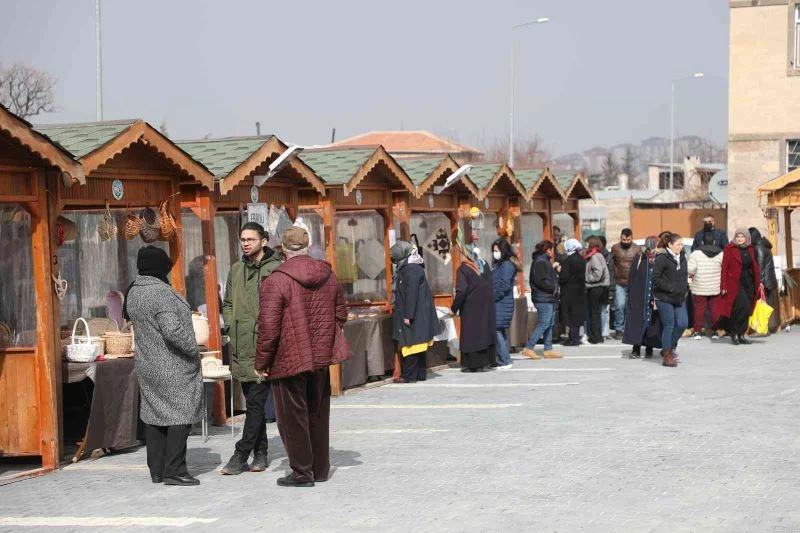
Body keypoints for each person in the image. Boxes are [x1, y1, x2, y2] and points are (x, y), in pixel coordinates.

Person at [255, 227, 350, 487]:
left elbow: (268, 327)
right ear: (308, 247)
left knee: (292, 418)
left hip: (289, 358)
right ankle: (319, 469)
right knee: (318, 413)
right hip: (320, 357)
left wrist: (261, 362)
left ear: (283, 249)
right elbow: (340, 313)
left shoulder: (276, 280)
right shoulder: (328, 275)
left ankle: (302, 473)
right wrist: (322, 338)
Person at [124, 246, 203, 486]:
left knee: (155, 415)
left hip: (148, 364)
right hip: (171, 365)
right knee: (181, 413)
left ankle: (157, 471)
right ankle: (175, 470)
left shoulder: (134, 291)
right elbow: (173, 330)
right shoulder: (161, 293)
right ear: (161, 267)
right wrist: (193, 348)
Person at [220, 222, 282, 475]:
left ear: (264, 241)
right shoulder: (236, 269)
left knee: (255, 403)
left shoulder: (275, 269)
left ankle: (240, 453)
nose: (246, 243)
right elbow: (229, 302)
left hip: (263, 344)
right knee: (253, 403)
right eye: (243, 239)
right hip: (240, 344)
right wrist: (232, 326)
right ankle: (261, 453)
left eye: (251, 239)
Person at [390, 240, 438, 382]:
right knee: (418, 346)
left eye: (394, 255)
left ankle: (409, 376)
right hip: (418, 314)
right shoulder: (411, 267)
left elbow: (411, 294)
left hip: (414, 315)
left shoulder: (410, 269)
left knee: (411, 346)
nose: (392, 259)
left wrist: (408, 315)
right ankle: (419, 374)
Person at [452, 240, 496, 372]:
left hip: (471, 309)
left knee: (472, 336)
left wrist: (454, 307)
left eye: (461, 254)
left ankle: (473, 364)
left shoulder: (464, 270)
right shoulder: (484, 266)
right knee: (484, 333)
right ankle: (485, 362)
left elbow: (461, 291)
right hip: (486, 308)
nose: (460, 256)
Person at [717, 229, 761, 345]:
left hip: (749, 282)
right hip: (735, 283)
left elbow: (755, 267)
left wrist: (759, 281)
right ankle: (734, 332)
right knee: (740, 307)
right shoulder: (729, 249)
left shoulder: (751, 249)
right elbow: (724, 268)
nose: (740, 239)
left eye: (742, 236)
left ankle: (742, 334)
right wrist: (723, 285)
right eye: (738, 236)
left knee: (747, 309)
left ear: (747, 238)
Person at [652, 232, 689, 367]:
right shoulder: (662, 258)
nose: (681, 247)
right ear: (670, 244)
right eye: (678, 244)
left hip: (679, 297)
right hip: (664, 297)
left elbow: (684, 275)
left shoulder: (683, 257)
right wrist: (671, 288)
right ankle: (667, 355)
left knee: (683, 323)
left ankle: (668, 347)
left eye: (682, 244)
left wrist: (685, 289)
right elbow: (656, 278)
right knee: (669, 324)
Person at [521, 240, 563, 359]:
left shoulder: (545, 261)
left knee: (549, 324)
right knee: (543, 323)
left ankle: (548, 349)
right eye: (551, 249)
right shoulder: (540, 262)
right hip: (543, 298)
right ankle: (529, 347)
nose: (552, 252)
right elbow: (540, 281)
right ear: (547, 250)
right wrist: (553, 288)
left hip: (549, 297)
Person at [622, 236, 659, 358]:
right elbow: (632, 277)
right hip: (639, 296)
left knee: (652, 322)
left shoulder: (660, 259)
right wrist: (631, 295)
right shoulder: (639, 258)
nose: (651, 248)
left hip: (654, 295)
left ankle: (649, 348)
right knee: (637, 321)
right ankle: (636, 348)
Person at [687, 233, 724, 339]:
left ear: (702, 242)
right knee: (715, 310)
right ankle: (715, 331)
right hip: (715, 286)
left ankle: (697, 332)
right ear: (714, 242)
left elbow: (691, 270)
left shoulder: (695, 254)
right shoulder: (721, 253)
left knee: (699, 309)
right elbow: (725, 268)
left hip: (699, 286)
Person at [609, 229, 641, 340]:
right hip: (619, 282)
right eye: (623, 239)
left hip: (633, 283)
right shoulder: (615, 248)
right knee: (619, 306)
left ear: (632, 238)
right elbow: (611, 266)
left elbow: (641, 266)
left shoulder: (637, 249)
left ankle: (630, 328)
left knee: (631, 307)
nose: (626, 241)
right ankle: (618, 329)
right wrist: (612, 282)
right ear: (620, 238)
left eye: (628, 239)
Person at [492, 238, 518, 369]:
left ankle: (505, 360)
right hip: (500, 303)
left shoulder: (506, 265)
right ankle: (503, 358)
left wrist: (491, 297)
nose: (494, 253)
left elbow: (503, 286)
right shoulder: (499, 265)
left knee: (497, 331)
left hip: (501, 303)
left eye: (496, 251)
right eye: (493, 251)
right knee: (499, 331)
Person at [749, 227, 779, 333]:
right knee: (768, 304)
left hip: (764, 282)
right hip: (770, 280)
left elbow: (760, 267)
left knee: (762, 305)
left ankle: (763, 328)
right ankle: (771, 326)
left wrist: (758, 282)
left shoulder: (758, 247)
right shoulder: (764, 245)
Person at [559, 239, 587, 346]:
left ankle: (573, 339)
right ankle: (575, 338)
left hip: (569, 291)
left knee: (570, 316)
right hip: (580, 291)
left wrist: (559, 272)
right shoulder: (581, 259)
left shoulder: (568, 260)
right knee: (576, 315)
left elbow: (564, 277)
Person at [584, 236, 610, 344]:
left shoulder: (594, 256)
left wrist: (586, 278)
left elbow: (598, 273)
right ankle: (597, 336)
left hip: (595, 287)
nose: (585, 246)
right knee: (596, 313)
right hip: (599, 287)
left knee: (594, 313)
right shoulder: (597, 255)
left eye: (586, 243)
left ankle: (595, 337)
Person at [598, 235, 614, 340]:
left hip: (605, 287)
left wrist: (611, 290)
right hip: (594, 286)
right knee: (597, 310)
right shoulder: (592, 255)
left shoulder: (609, 256)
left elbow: (611, 273)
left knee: (604, 310)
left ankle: (604, 333)